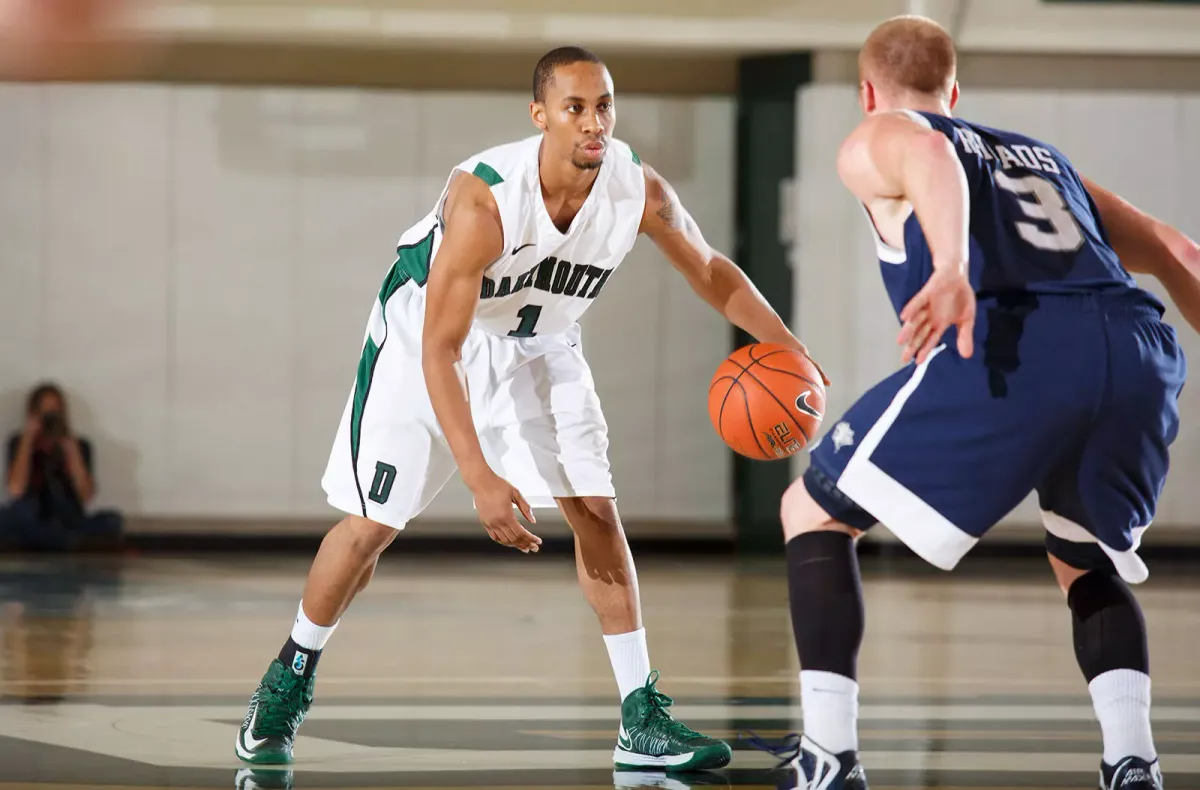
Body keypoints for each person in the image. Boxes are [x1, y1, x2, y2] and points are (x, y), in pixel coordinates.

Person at [234, 46, 826, 772]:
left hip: (542, 343)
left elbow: (710, 271)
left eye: (603, 105)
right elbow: (438, 353)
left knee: (595, 511)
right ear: (540, 115)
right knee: (371, 527)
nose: (592, 122)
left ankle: (640, 716)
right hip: (427, 339)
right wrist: (481, 476)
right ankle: (290, 673)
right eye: (575, 107)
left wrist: (794, 353)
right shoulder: (484, 202)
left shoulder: (637, 190)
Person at [774, 15, 1196, 790]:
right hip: (1135, 348)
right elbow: (1177, 251)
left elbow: (929, 149)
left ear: (868, 91)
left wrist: (956, 268)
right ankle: (1132, 763)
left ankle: (828, 759)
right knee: (1083, 559)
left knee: (811, 509)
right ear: (956, 88)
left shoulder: (883, 134)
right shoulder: (1044, 159)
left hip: (1024, 341)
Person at [1, 382, 123, 553]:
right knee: (8, 516)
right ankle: (63, 541)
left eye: (55, 413)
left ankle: (48, 540)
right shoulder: (18, 443)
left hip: (66, 515)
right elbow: (15, 490)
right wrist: (28, 439)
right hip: (30, 515)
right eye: (45, 413)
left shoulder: (80, 446)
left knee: (112, 520)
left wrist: (71, 450)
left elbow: (86, 496)